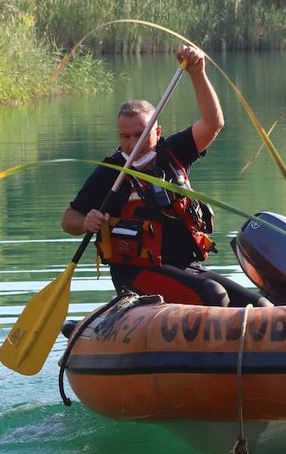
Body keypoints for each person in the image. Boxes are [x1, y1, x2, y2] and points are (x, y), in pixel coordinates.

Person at [62, 44, 269, 308]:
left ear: (157, 132)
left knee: (261, 307)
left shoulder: (173, 153)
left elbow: (213, 124)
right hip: (136, 275)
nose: (131, 143)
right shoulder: (110, 173)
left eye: (140, 134)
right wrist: (85, 222)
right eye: (125, 136)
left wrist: (197, 72)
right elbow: (69, 220)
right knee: (213, 295)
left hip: (185, 267)